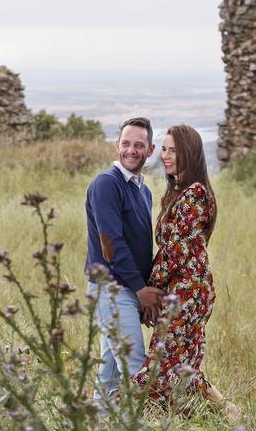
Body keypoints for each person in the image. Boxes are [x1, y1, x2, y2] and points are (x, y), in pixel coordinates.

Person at [131, 124, 239, 420]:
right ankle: (230, 415)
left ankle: (113, 413)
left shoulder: (193, 195)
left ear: (189, 153)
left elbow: (176, 252)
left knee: (159, 367)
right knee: (182, 368)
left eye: (174, 150)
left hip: (188, 294)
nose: (166, 156)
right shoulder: (177, 192)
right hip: (183, 291)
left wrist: (147, 291)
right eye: (164, 149)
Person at [85, 117, 165, 403]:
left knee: (108, 373)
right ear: (117, 146)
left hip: (127, 290)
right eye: (126, 144)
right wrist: (139, 290)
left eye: (139, 145)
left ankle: (98, 420)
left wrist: (141, 290)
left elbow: (140, 247)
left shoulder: (143, 190)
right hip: (110, 289)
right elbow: (111, 244)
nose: (131, 150)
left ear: (150, 149)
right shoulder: (107, 184)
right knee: (135, 369)